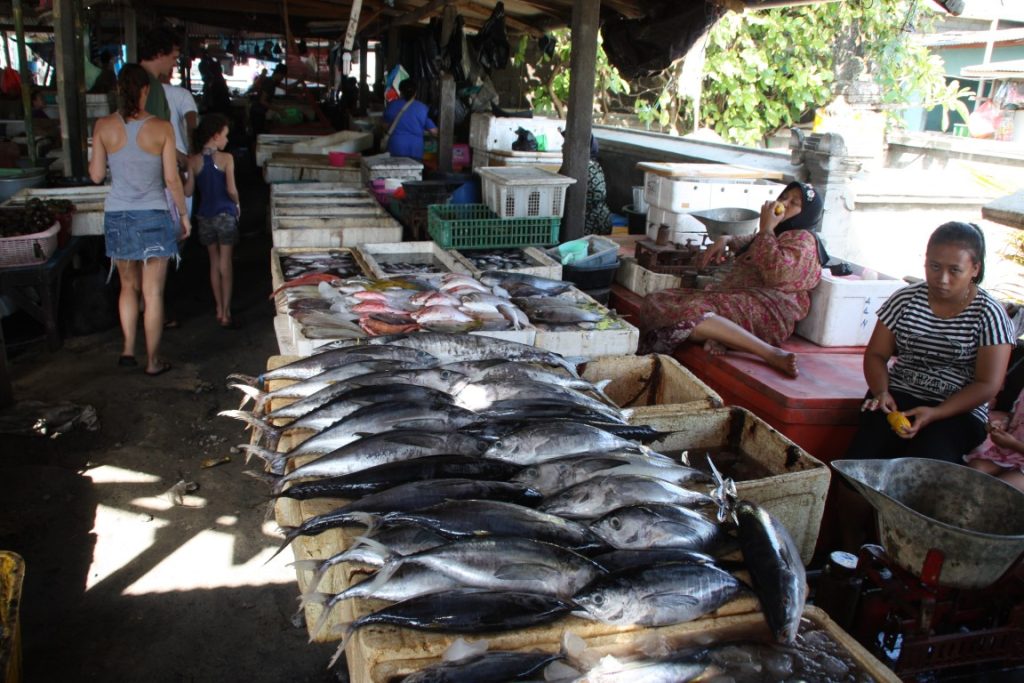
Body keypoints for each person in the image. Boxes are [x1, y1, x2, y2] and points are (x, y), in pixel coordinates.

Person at [845, 222, 1014, 463]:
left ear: (975, 269)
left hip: (958, 411)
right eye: (934, 267)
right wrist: (881, 391)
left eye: (954, 270)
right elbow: (876, 355)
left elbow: (988, 384)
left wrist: (936, 413)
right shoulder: (905, 299)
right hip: (898, 396)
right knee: (860, 460)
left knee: (926, 461)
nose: (942, 279)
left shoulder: (990, 314)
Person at [639, 181, 827, 378]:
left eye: (794, 202)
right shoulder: (781, 232)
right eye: (783, 197)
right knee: (657, 300)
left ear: (808, 214)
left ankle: (769, 353)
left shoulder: (804, 241)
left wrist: (766, 229)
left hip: (768, 311)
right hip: (739, 300)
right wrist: (727, 239)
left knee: (691, 311)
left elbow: (778, 273)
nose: (784, 203)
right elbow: (752, 242)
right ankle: (721, 335)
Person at [89, 63, 190, 376]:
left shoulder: (103, 126)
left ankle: (128, 349)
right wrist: (184, 217)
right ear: (145, 90)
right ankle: (153, 362)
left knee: (127, 287)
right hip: (153, 215)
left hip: (117, 215)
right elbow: (172, 180)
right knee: (153, 293)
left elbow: (95, 176)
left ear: (119, 91)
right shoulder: (162, 128)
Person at [185, 114, 240, 329]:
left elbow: (188, 191)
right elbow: (231, 190)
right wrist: (237, 203)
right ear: (216, 136)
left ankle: (218, 308)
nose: (227, 140)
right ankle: (226, 311)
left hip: (204, 216)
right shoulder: (227, 159)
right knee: (226, 262)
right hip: (225, 214)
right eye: (225, 136)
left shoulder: (193, 161)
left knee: (214, 262)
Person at [964, 385, 1024, 491]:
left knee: (1000, 489)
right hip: (1009, 453)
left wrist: (1013, 444)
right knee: (974, 470)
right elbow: (1014, 417)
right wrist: (1003, 424)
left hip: (1016, 449)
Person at [382, 79, 437, 160]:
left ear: (400, 92)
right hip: (415, 150)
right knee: (414, 172)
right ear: (415, 93)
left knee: (396, 171)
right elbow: (433, 131)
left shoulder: (392, 106)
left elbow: (385, 126)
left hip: (396, 148)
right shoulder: (422, 108)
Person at [138, 26, 182, 122]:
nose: (175, 64)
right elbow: (154, 129)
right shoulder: (152, 85)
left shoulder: (131, 77)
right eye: (174, 58)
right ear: (160, 54)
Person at [250, 64, 285, 137]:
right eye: (282, 76)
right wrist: (278, 109)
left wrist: (299, 81)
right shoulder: (270, 83)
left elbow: (287, 88)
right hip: (257, 111)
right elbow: (262, 101)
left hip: (259, 111)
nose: (282, 78)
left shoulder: (273, 81)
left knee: (257, 134)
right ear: (278, 74)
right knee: (257, 135)